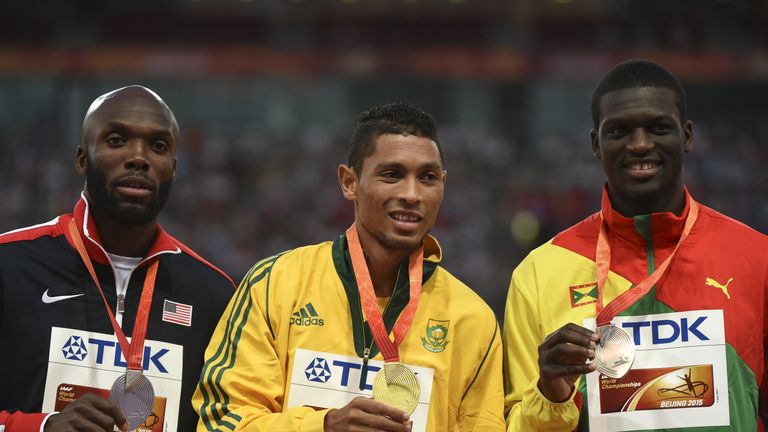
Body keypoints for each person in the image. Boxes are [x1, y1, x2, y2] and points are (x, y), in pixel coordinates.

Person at [194, 102, 505, 431]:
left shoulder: (473, 320)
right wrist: (323, 427)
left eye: (427, 177)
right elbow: (222, 420)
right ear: (349, 182)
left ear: (443, 184)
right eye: (392, 175)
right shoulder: (275, 285)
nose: (412, 194)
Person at [502, 58, 768, 431]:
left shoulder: (757, 259)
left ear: (687, 136)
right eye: (619, 131)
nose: (640, 144)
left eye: (658, 128)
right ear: (597, 143)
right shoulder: (539, 273)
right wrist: (551, 393)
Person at [0, 86, 235, 432]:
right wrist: (41, 428)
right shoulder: (10, 265)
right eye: (116, 140)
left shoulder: (213, 295)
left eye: (158, 146)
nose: (139, 157)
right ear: (83, 159)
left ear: (173, 169)